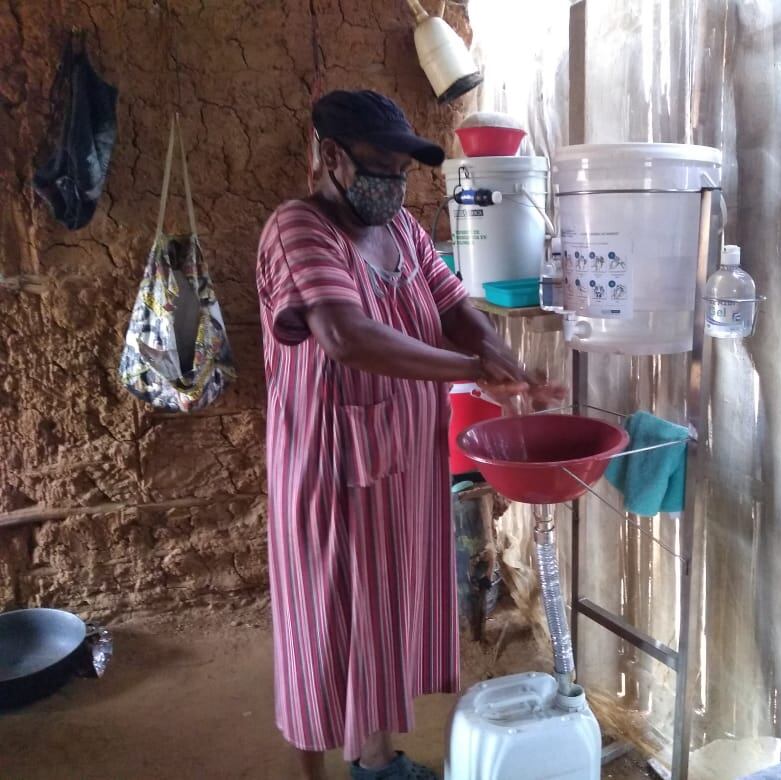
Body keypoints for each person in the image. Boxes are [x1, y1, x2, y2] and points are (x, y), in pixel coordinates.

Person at [255, 90, 560, 779]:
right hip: (328, 465)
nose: (392, 185)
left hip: (401, 460)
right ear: (330, 157)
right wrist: (472, 371)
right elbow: (346, 335)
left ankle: (376, 760)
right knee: (326, 622)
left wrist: (499, 359)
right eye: (378, 168)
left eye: (401, 171)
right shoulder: (298, 228)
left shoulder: (404, 232)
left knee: (382, 617)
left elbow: (456, 309)